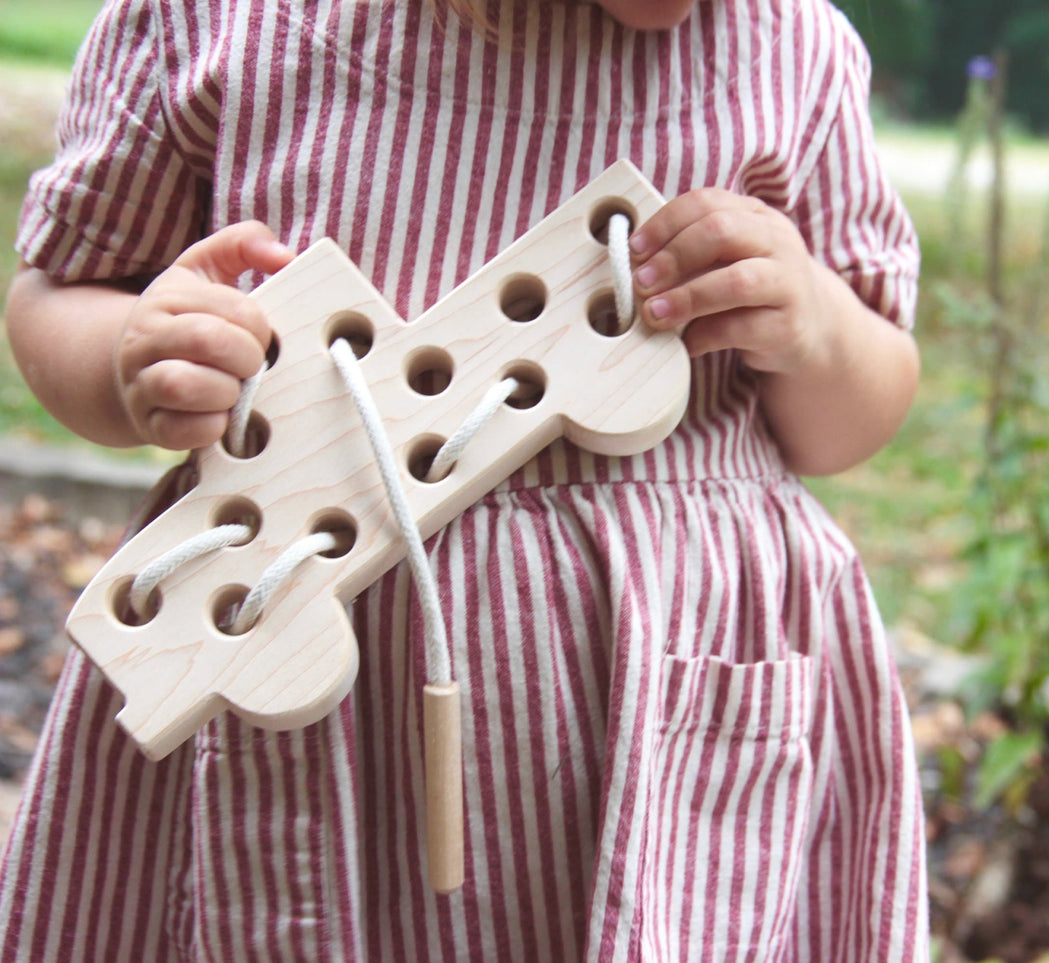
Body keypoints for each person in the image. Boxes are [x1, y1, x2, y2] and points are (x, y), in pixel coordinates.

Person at [1, 0, 927, 958]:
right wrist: (128, 357)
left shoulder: (793, 53)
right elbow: (60, 289)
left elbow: (854, 416)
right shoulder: (223, 23)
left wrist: (813, 324)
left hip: (665, 735)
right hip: (300, 678)